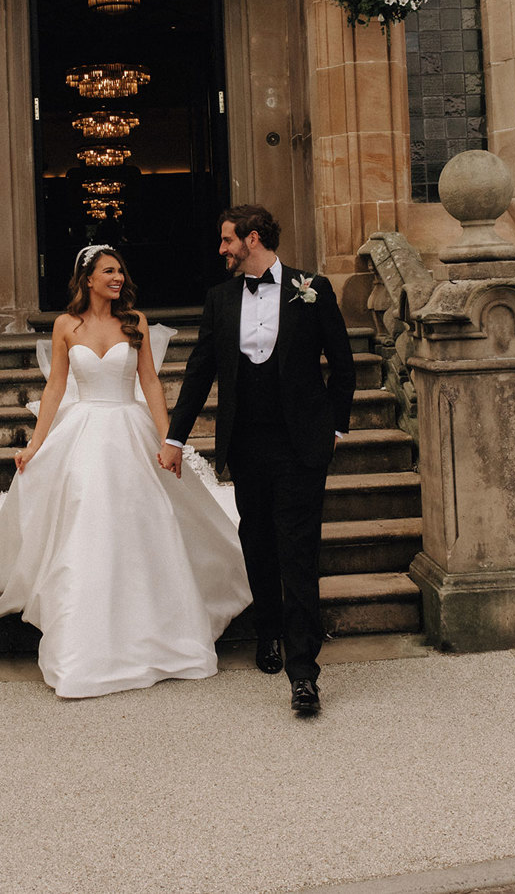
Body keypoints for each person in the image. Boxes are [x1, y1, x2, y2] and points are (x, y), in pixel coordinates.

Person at [0, 244, 251, 699]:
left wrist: (169, 440)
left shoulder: (134, 322)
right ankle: (85, 639)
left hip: (129, 426)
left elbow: (150, 383)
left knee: (146, 517)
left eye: (120, 271)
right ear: (88, 279)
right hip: (83, 433)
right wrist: (35, 445)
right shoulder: (66, 325)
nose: (117, 278)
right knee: (84, 514)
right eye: (108, 271)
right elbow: (57, 386)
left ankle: (160, 628)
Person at [158, 205, 356, 716]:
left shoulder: (312, 288)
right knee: (258, 541)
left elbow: (343, 363)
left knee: (298, 548)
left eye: (227, 241)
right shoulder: (221, 299)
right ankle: (268, 631)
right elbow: (200, 371)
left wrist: (335, 427)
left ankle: (305, 671)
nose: (221, 250)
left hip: (301, 445)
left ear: (251, 239)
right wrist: (175, 439)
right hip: (247, 444)